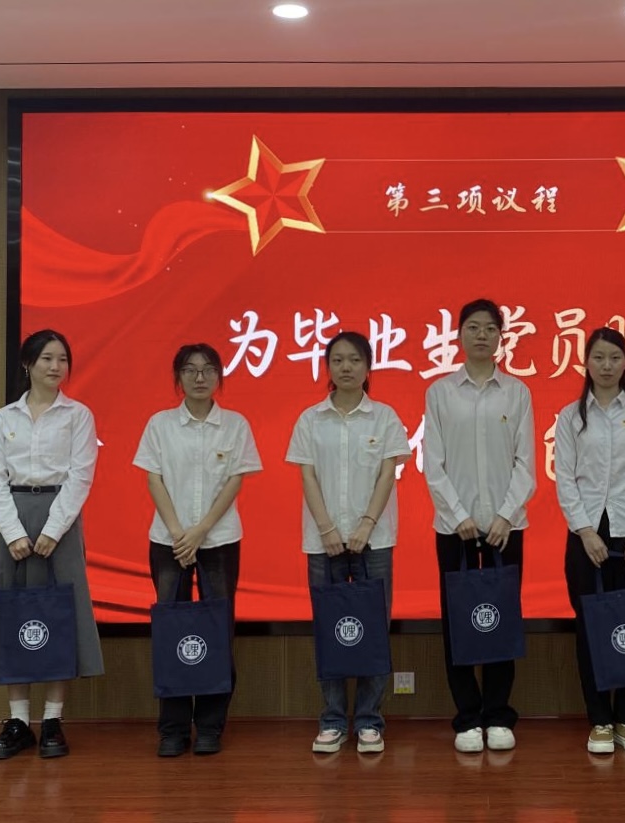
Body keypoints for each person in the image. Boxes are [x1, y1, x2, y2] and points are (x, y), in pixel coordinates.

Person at [0, 329, 104, 760]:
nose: (56, 366)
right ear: (28, 364)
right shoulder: (4, 418)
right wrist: (13, 533)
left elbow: (80, 476)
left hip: (60, 521)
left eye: (62, 359)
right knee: (14, 612)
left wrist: (53, 529)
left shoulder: (78, 415)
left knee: (58, 614)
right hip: (12, 518)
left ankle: (52, 719)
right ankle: (17, 721)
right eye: (47, 358)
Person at [133, 343, 261, 757]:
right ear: (178, 378)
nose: (200, 377)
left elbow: (235, 482)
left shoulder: (235, 425)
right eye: (190, 370)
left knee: (217, 631)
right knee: (171, 631)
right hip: (167, 541)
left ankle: (209, 725)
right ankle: (172, 728)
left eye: (208, 369)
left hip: (219, 541)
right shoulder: (160, 424)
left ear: (219, 376)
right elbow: (153, 479)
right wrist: (178, 534)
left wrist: (200, 531)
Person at [286, 331, 411, 755]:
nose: (346, 367)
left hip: (375, 539)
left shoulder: (385, 418)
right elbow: (307, 476)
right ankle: (333, 720)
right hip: (323, 542)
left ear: (368, 367)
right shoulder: (310, 420)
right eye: (338, 359)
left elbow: (387, 475)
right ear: (327, 367)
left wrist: (366, 525)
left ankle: (371, 720)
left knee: (374, 628)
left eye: (355, 360)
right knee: (329, 627)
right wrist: (327, 529)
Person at [424, 297, 536, 753]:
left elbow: (526, 462)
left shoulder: (517, 392)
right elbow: (433, 464)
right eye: (473, 327)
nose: (482, 335)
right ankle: (468, 717)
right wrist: (459, 516)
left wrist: (505, 515)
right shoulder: (440, 392)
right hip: (455, 529)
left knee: (501, 619)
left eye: (490, 328)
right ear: (458, 335)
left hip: (506, 528)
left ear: (501, 337)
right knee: (458, 620)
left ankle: (499, 714)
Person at [555, 327, 625, 755]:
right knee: (591, 628)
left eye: (614, 358)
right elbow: (565, 479)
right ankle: (599, 720)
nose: (606, 366)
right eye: (598, 357)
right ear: (586, 362)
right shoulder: (571, 416)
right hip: (586, 537)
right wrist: (584, 531)